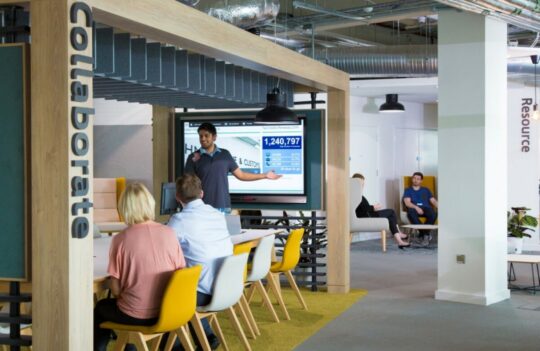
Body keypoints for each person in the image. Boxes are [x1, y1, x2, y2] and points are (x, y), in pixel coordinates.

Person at [94, 183, 186, 351]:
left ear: (124, 208)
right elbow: (180, 273)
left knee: (100, 308)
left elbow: (115, 290)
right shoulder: (169, 232)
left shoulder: (120, 239)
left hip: (136, 315)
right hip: (170, 311)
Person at [167, 174, 234, 350]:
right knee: (185, 286)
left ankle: (176, 346)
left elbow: (162, 250)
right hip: (226, 288)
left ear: (177, 198)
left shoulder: (178, 221)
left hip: (202, 293)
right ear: (202, 193)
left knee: (167, 293)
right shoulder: (217, 215)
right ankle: (206, 336)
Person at [184, 122, 281, 211]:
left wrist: (264, 175)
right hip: (201, 207)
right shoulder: (193, 157)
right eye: (200, 136)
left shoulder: (225, 155)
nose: (203, 139)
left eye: (206, 135)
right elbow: (188, 183)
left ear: (214, 137)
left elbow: (241, 175)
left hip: (223, 206)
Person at [353, 173, 410, 248]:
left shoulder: (355, 194)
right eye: (361, 183)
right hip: (367, 216)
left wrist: (373, 207)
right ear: (354, 183)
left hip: (368, 214)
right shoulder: (356, 195)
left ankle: (400, 241)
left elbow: (362, 208)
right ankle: (398, 233)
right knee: (391, 212)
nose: (362, 185)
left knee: (390, 217)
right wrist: (374, 207)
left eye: (363, 183)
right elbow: (363, 209)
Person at [402, 171, 438, 245]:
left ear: (421, 180)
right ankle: (426, 234)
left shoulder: (426, 190)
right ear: (412, 179)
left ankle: (423, 234)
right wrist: (417, 208)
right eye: (414, 178)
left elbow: (433, 201)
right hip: (414, 209)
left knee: (433, 214)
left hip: (426, 208)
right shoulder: (408, 190)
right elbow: (407, 203)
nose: (415, 180)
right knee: (410, 213)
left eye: (418, 179)